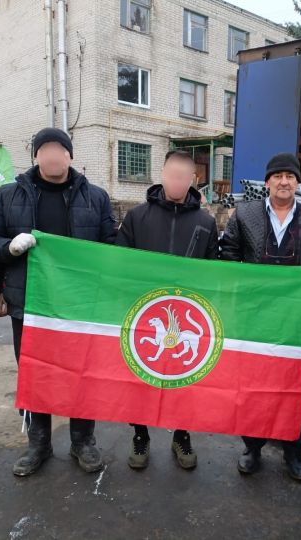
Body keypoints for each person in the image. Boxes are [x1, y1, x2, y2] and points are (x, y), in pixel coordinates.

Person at [0, 127, 116, 477]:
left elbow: (111, 245)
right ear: (36, 155)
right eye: (46, 149)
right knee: (35, 375)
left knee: (82, 375)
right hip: (30, 303)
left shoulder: (96, 197)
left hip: (81, 306)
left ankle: (82, 441)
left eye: (60, 149)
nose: (54, 155)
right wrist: (9, 248)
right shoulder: (9, 196)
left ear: (69, 156)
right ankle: (38, 444)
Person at [220, 152, 301, 481]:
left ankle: (292, 449)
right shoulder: (245, 214)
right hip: (254, 316)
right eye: (278, 176)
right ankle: (252, 447)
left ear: (298, 182)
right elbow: (228, 255)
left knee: (291, 385)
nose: (284, 182)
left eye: (290, 176)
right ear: (267, 182)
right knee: (252, 384)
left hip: (295, 318)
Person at [116, 149, 218, 470]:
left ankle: (181, 434)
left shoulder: (206, 222)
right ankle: (140, 434)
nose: (177, 181)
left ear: (192, 180)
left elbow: (214, 269)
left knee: (184, 378)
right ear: (162, 175)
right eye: (171, 174)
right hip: (144, 314)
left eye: (183, 176)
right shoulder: (137, 216)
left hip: (188, 312)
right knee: (140, 376)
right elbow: (120, 262)